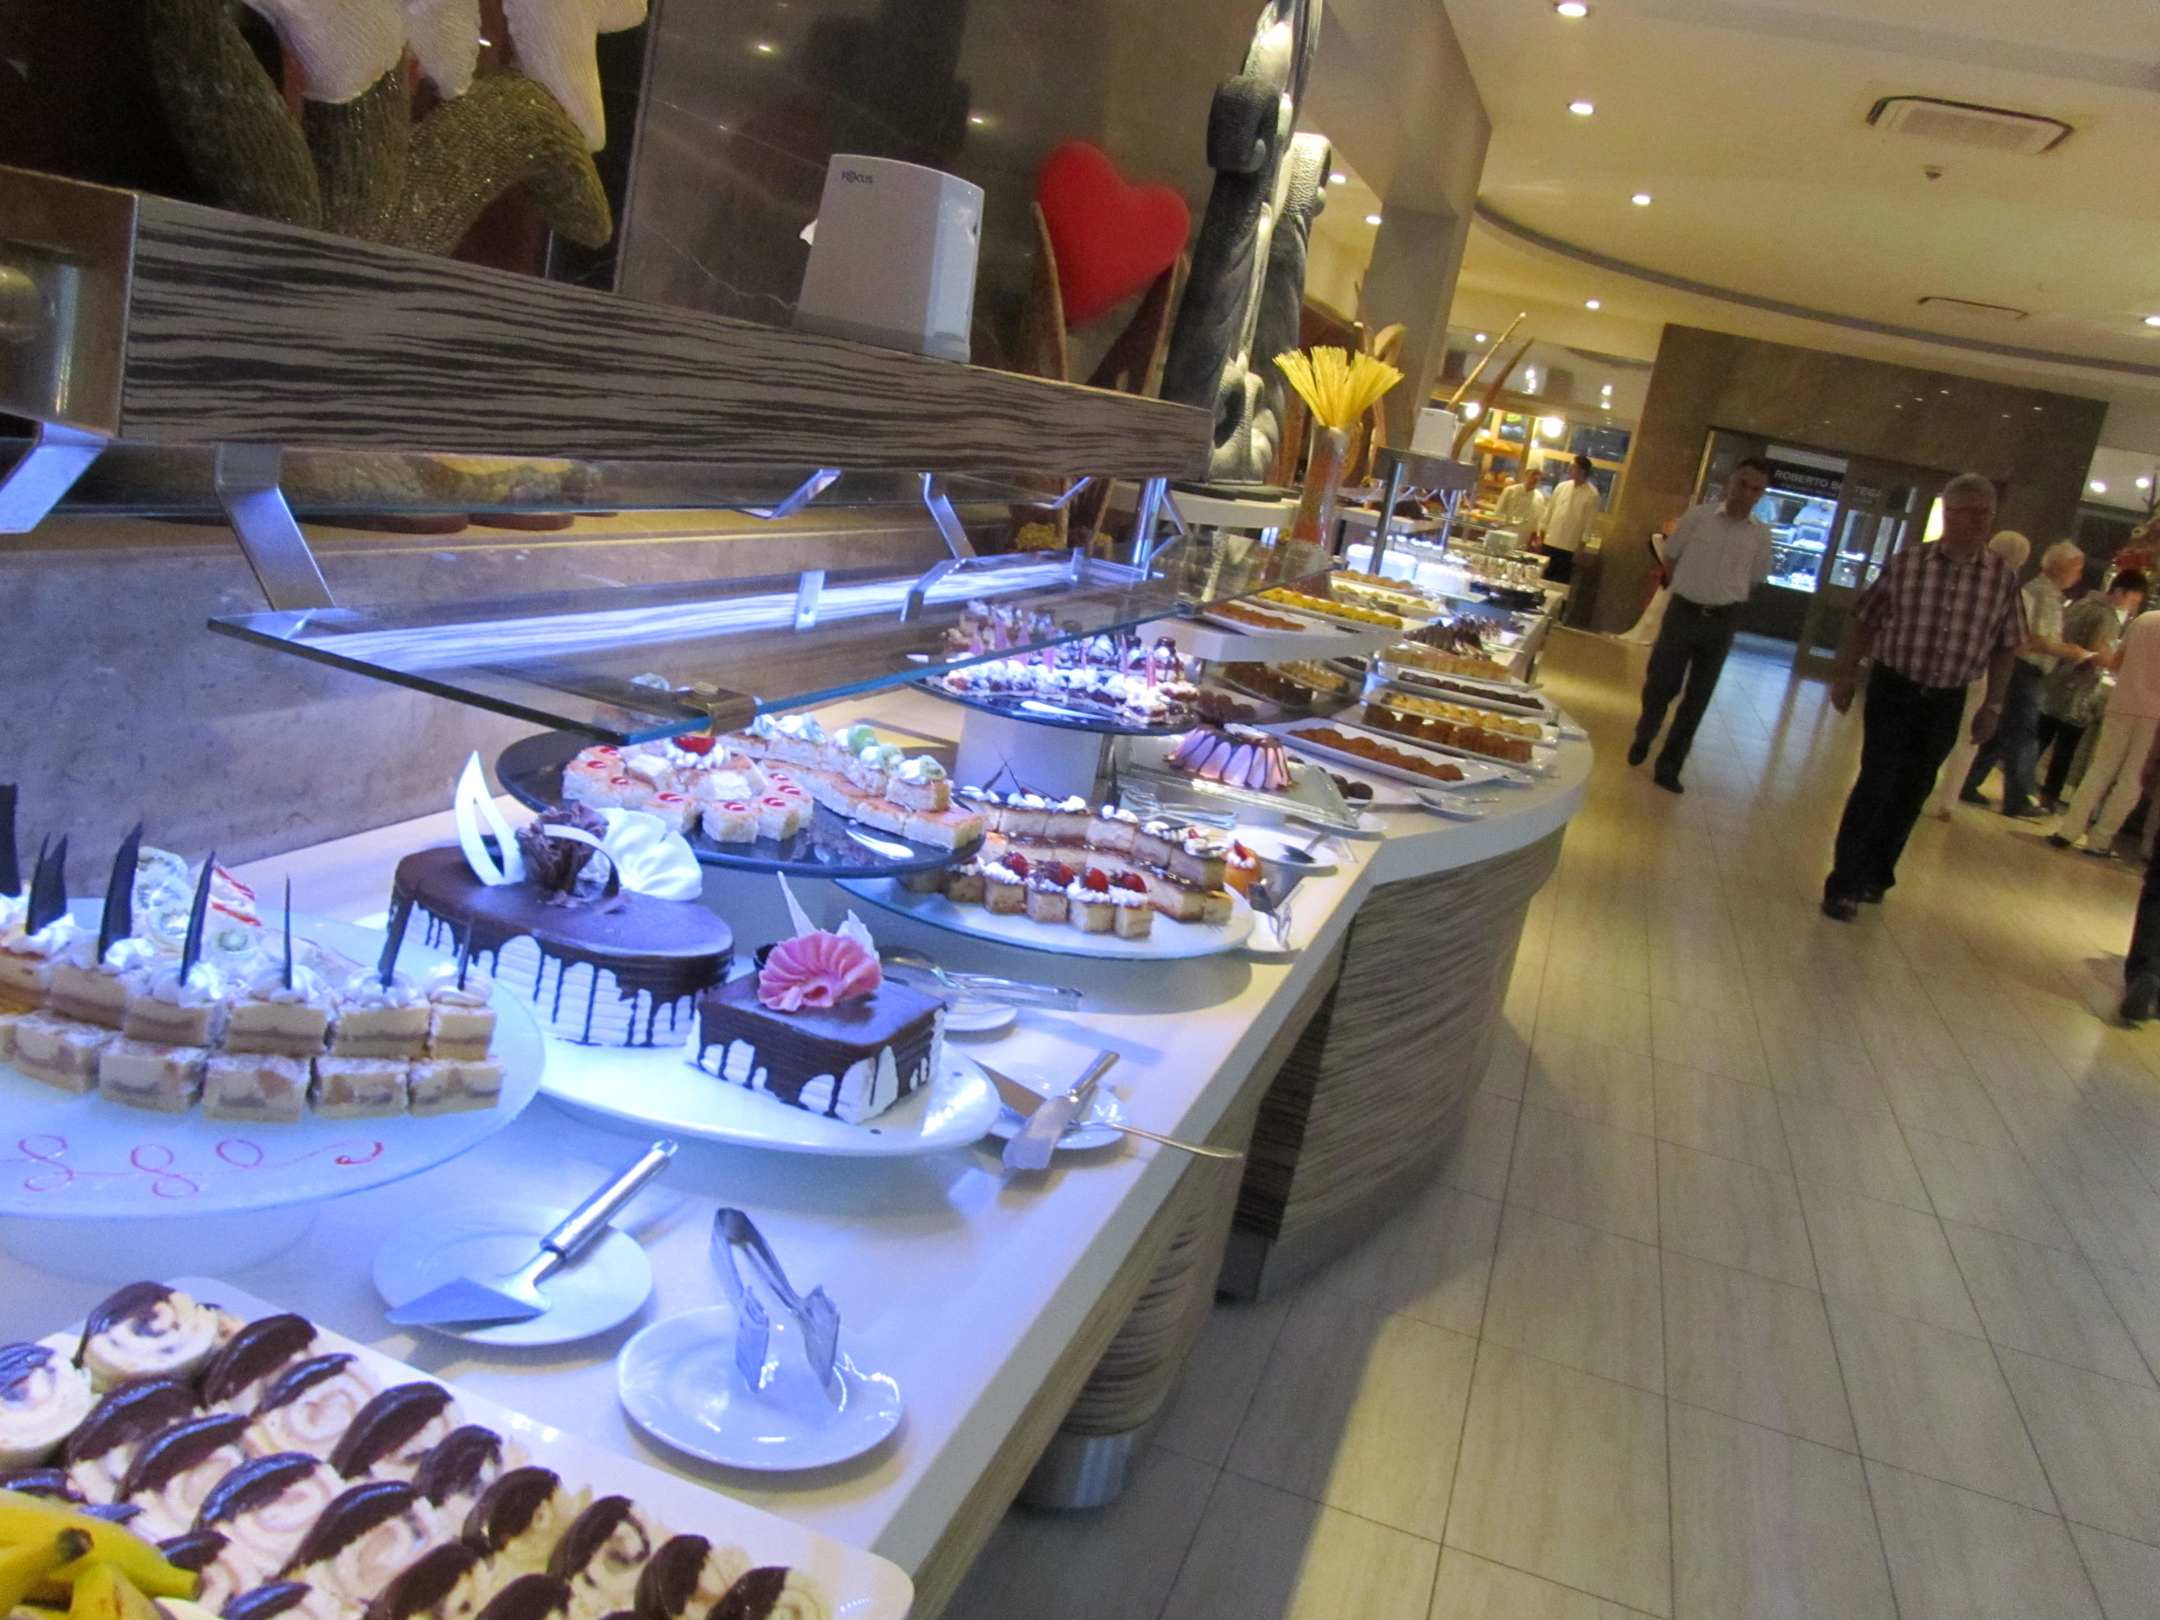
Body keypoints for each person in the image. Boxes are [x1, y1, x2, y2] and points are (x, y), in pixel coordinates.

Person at [1821, 472, 2024, 921]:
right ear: (1948, 514)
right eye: (1968, 512)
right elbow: (1866, 618)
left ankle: (1877, 873)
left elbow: (2007, 646)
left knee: (1914, 787)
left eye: (1986, 513)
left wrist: (1993, 704)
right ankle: (1844, 882)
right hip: (1895, 686)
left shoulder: (2001, 578)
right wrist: (1846, 673)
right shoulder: (1908, 563)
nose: (1978, 521)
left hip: (1947, 697)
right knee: (1877, 780)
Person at [1626, 458, 1776, 791]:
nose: (1746, 493)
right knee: (1661, 682)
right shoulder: (1699, 518)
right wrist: (1685, 586)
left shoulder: (1760, 535)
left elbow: (1755, 578)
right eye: (1742, 484)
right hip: (1684, 611)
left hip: (1723, 619)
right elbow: (1671, 555)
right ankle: (1646, 730)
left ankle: (1670, 766)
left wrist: (1726, 596)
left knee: (1699, 695)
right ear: (1731, 481)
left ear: (1761, 494)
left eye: (1756, 489)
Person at [1959, 540, 2100, 818]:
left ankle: (1969, 782)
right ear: (2061, 567)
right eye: (2077, 568)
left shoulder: (2046, 594)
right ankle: (2019, 798)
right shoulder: (2041, 594)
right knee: (2023, 733)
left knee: (2004, 733)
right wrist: (2072, 652)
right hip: (2024, 669)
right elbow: (2034, 640)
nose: (2079, 575)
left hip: (2024, 669)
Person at [1926, 530, 2031, 820]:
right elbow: (2015, 643)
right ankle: (1947, 801)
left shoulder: (1966, 577)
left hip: (1947, 665)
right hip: (1982, 672)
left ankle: (1922, 788)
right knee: (1968, 739)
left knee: (1934, 729)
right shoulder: (2011, 589)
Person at [2050, 604, 2160, 860]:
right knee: (2132, 779)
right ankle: (2100, 840)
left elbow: (2116, 662)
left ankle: (2068, 831)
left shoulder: (2145, 619)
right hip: (2154, 716)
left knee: (2100, 768)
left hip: (2121, 702)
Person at [2036, 569, 2148, 810]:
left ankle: (2019, 785)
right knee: (2066, 748)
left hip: (2055, 679)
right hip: (2078, 688)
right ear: (2120, 592)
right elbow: (2100, 652)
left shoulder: (2082, 603)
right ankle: (2049, 797)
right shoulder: (2106, 616)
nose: (2132, 608)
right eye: (2132, 601)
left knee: (2040, 736)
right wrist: (2122, 664)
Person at [1538, 453, 1600, 587]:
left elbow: (1589, 524)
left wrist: (1581, 548)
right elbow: (1549, 511)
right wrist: (1541, 535)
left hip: (1569, 546)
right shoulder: (1562, 487)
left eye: (1573, 467)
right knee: (1542, 578)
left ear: (1582, 471)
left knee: (1560, 583)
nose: (1569, 470)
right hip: (1550, 540)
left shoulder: (1592, 494)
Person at [1490, 465, 1547, 539]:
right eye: (1534, 474)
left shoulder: (1540, 497)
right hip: (1505, 532)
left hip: (1524, 536)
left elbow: (1538, 520)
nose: (1536, 477)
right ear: (1526, 474)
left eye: (1539, 475)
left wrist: (1536, 535)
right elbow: (1498, 511)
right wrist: (1496, 529)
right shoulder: (1510, 490)